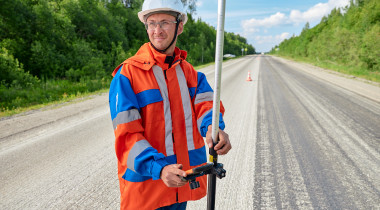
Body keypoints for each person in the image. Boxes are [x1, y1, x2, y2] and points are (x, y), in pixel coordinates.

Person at [108, 0, 231, 209]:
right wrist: (160, 169)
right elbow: (128, 138)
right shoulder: (127, 76)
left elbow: (207, 107)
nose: (157, 30)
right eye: (151, 23)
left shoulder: (190, 73)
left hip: (180, 186)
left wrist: (214, 129)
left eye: (164, 22)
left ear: (179, 26)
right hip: (146, 191)